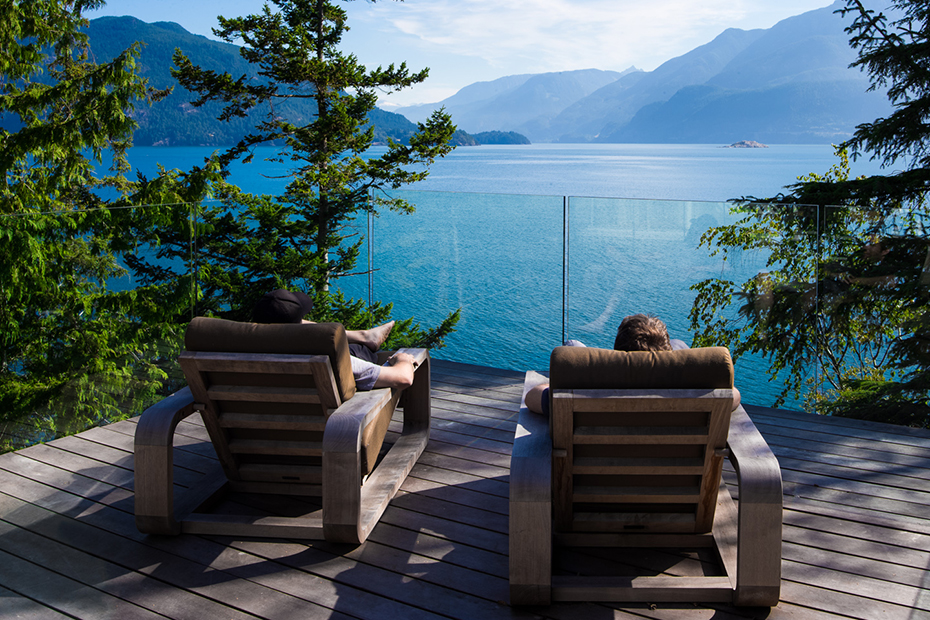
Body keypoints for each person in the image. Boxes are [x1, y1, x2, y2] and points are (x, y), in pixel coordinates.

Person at [525, 313, 738, 414]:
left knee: (572, 346)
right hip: (682, 494)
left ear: (618, 353)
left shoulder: (593, 388)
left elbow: (532, 398)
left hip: (592, 493)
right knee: (681, 344)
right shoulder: (690, 395)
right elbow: (734, 395)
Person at [252, 289, 417, 390]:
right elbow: (402, 379)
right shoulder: (323, 357)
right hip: (330, 432)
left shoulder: (235, 349)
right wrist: (403, 359)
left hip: (250, 437)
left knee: (357, 349)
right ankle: (364, 339)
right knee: (361, 351)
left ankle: (363, 336)